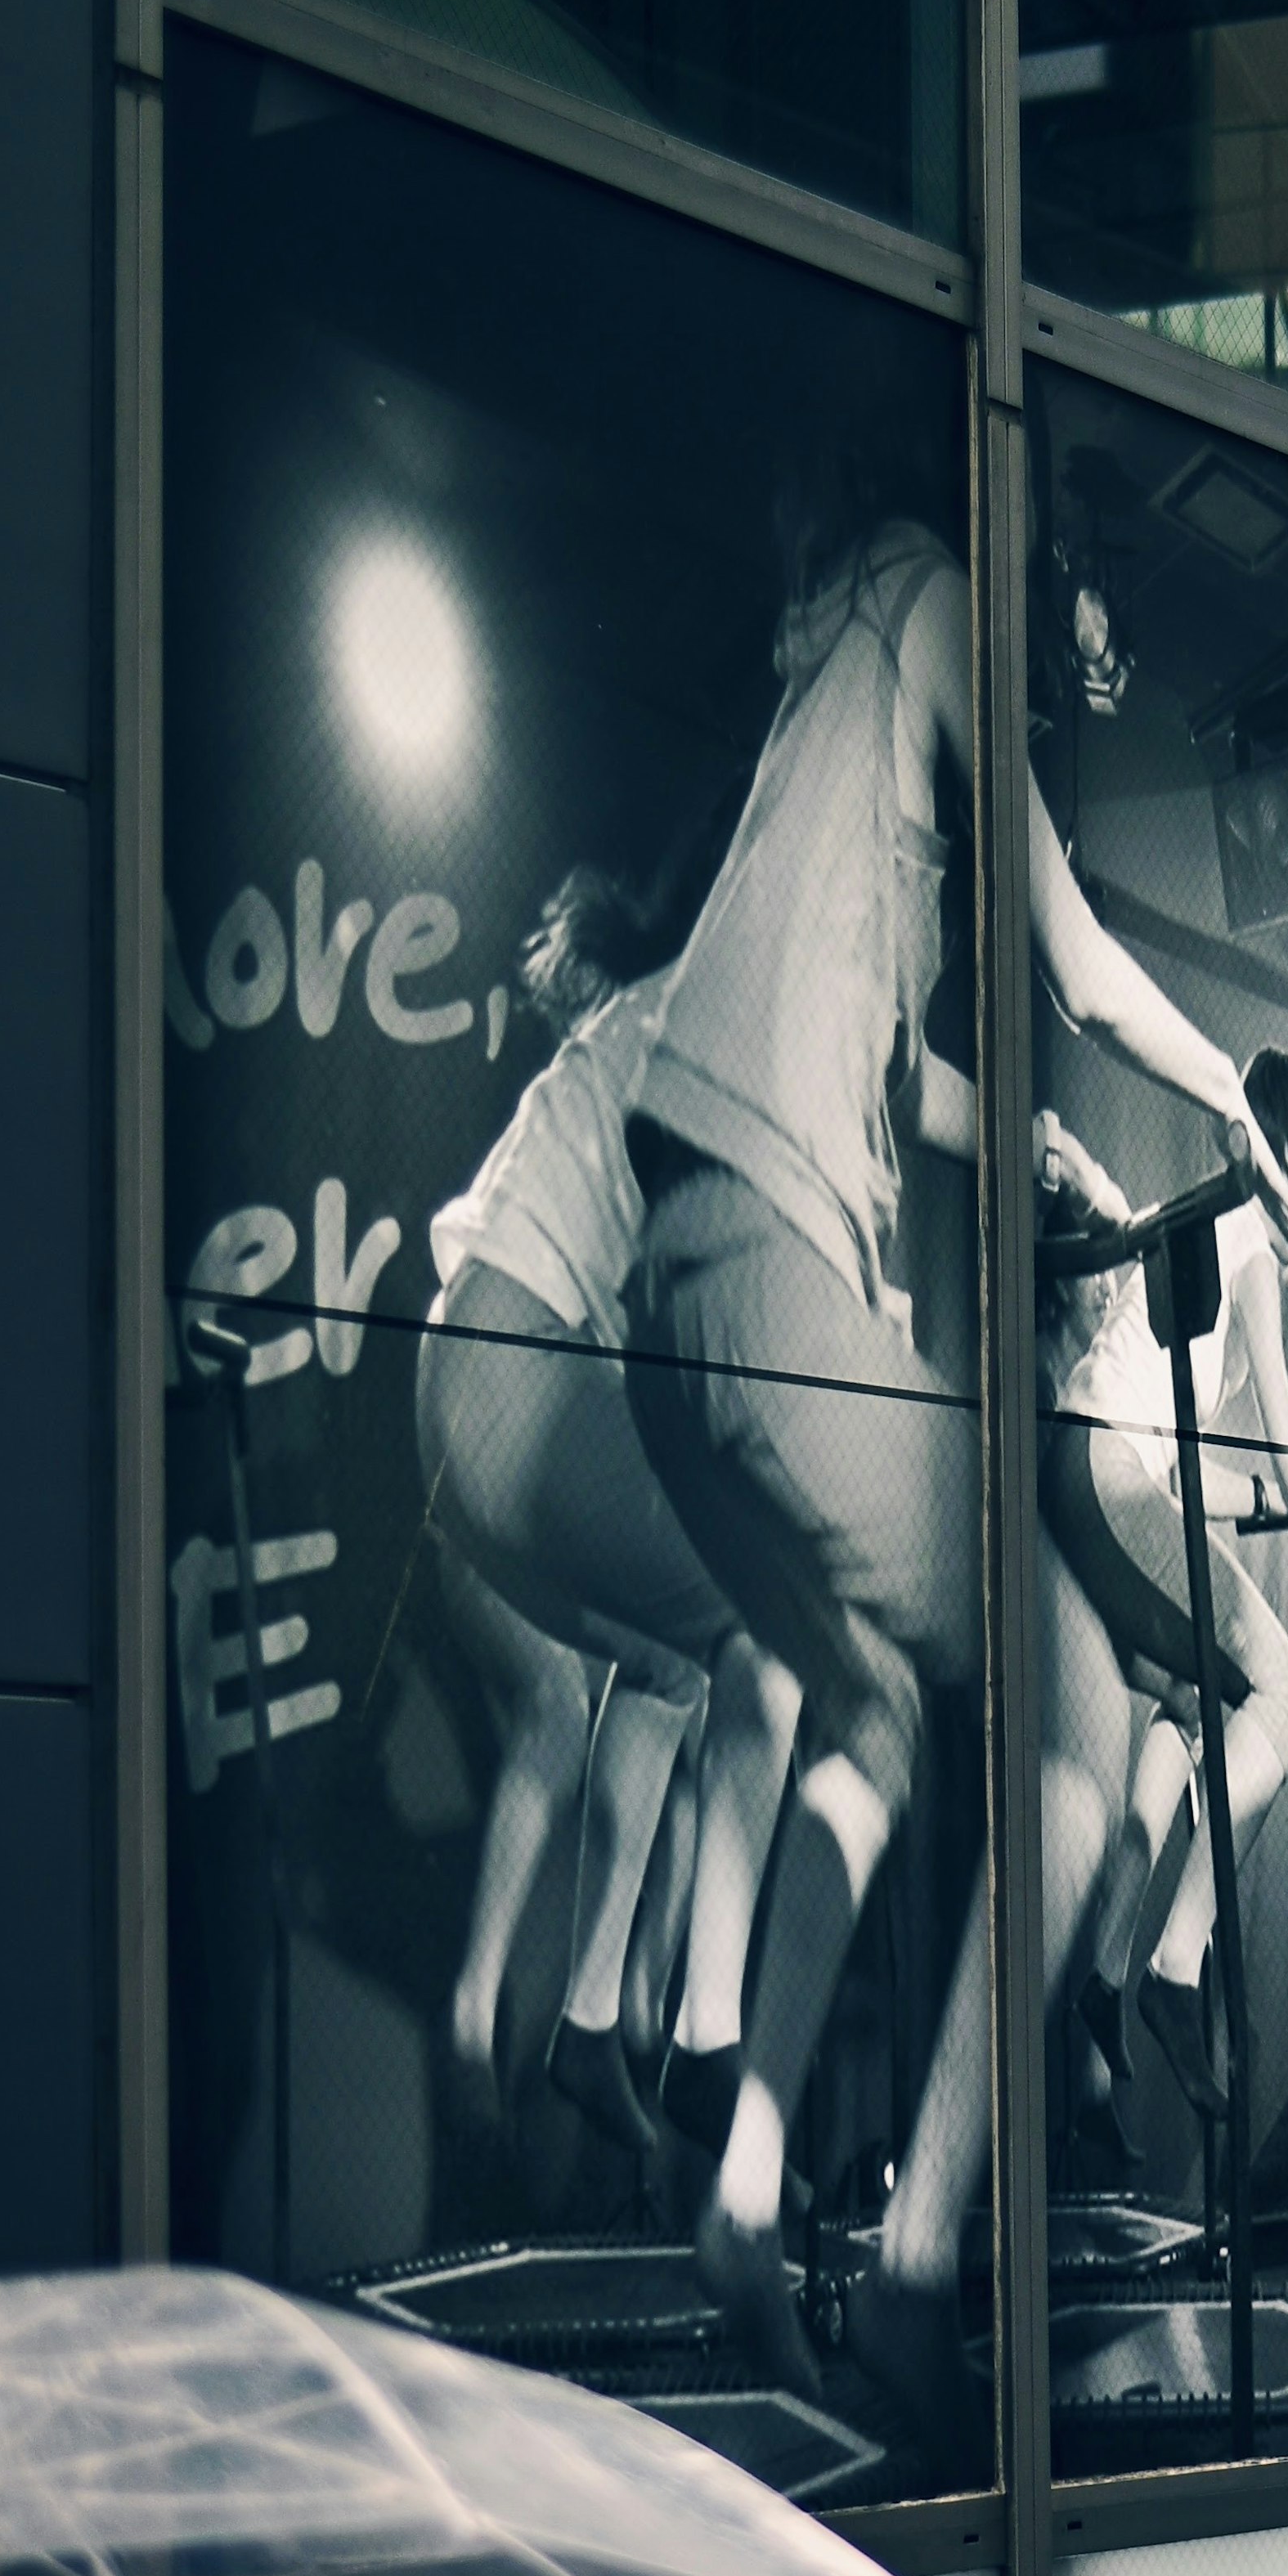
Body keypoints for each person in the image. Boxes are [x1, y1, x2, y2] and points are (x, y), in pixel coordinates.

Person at [621, 425, 1288, 2441]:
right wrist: (1240, 1120)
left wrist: (1037, 1143)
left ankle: (744, 2196)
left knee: (880, 1718)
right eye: (1068, 599)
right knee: (1083, 1700)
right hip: (767, 1276)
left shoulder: (830, 707)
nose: (1064, 651)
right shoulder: (930, 588)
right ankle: (923, 2266)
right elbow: (1076, 961)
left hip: (678, 1308)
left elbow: (892, 1049)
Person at [418, 861, 801, 2188]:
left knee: (670, 1664)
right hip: (509, 1384)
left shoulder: (631, 1024)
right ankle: (693, 2033)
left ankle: (594, 2024)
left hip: (468, 1386)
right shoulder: (694, 1018)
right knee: (769, 1629)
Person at [1043, 1047, 1288, 2137]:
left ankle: (1098, 1971)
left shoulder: (1201, 1246)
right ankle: (1176, 1968)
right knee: (1277, 1695)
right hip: (1109, 1468)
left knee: (1191, 1714)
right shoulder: (1250, 1248)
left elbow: (1199, 1483)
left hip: (1083, 1470)